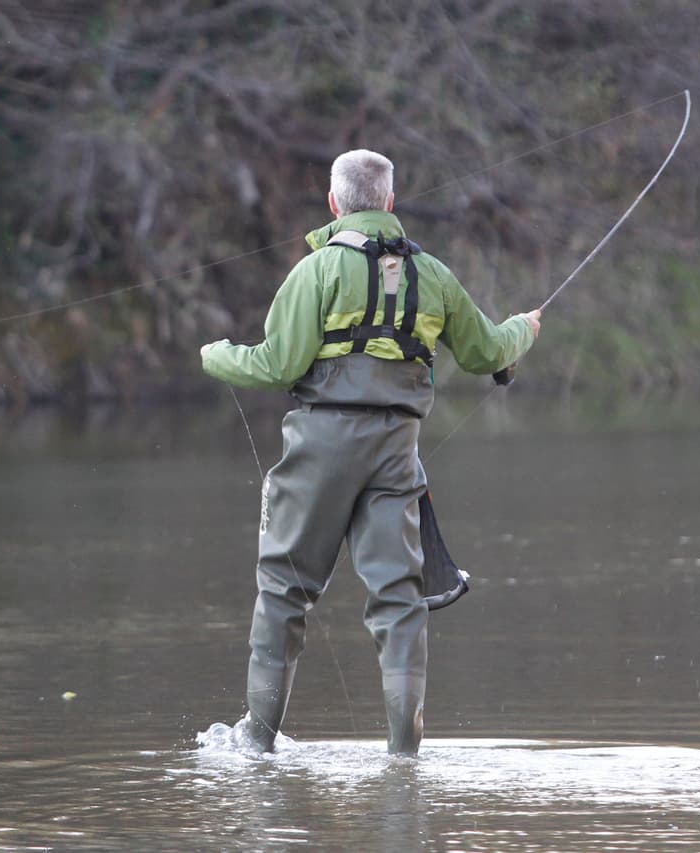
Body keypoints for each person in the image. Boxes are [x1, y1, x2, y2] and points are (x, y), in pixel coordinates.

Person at [200, 149, 542, 756]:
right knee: (399, 598)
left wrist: (215, 355)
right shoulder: (431, 274)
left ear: (334, 204)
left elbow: (277, 364)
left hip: (322, 447)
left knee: (284, 588)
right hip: (397, 451)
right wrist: (524, 329)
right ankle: (403, 754)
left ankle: (256, 738)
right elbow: (489, 352)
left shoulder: (316, 271)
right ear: (389, 202)